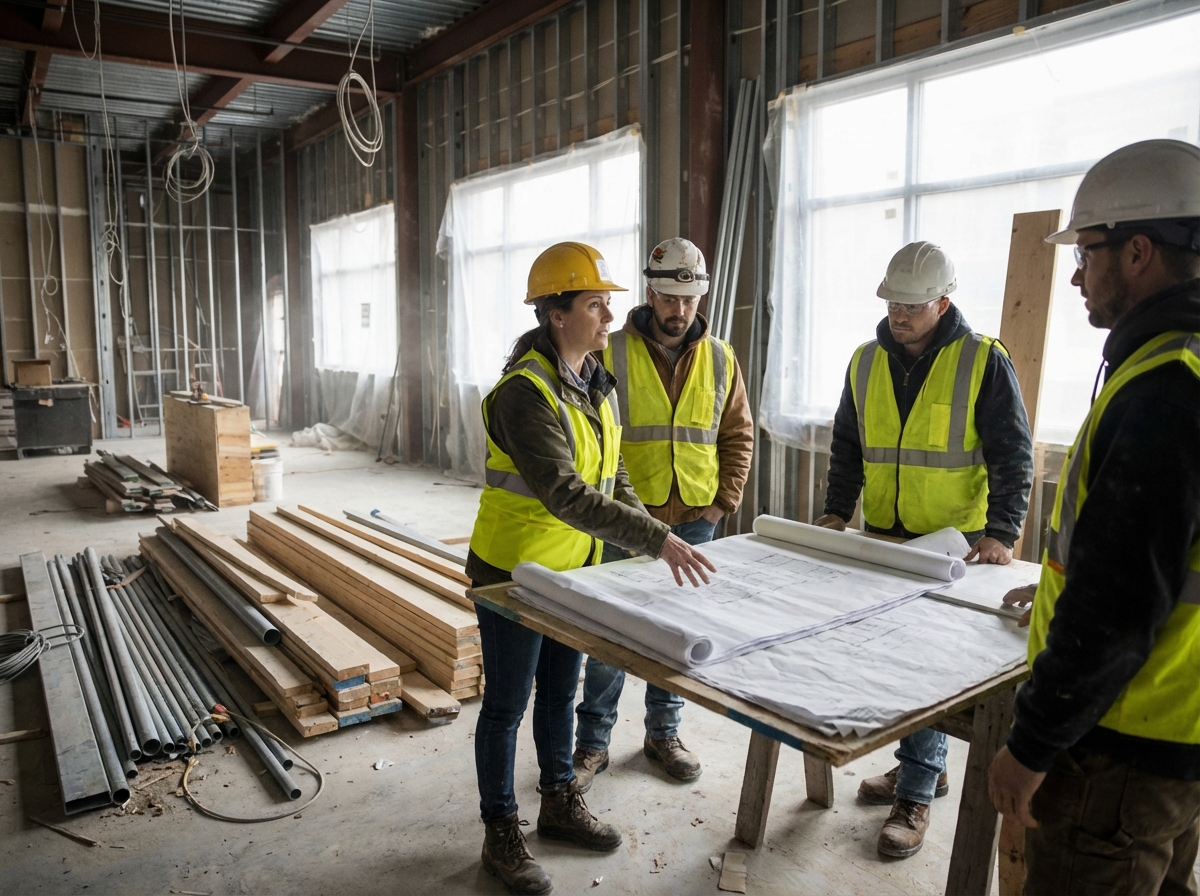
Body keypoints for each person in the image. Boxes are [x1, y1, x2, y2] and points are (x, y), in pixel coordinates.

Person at [467, 241, 717, 896]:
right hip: (512, 574)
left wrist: (650, 539)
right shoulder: (525, 393)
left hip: (569, 575)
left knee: (558, 694)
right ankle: (501, 831)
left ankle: (557, 802)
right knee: (506, 704)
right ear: (556, 314)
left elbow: (615, 479)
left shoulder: (592, 382)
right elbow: (567, 494)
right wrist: (659, 540)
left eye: (607, 307)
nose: (611, 318)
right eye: (596, 306)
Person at [988, 139, 1200, 895]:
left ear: (1139, 250)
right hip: (1177, 730)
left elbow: (1120, 604)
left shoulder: (1163, 389)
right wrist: (1051, 592)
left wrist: (1033, 744)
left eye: (1087, 250)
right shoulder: (1184, 363)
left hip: (1120, 744)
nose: (1076, 274)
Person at [815, 240, 1034, 858]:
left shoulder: (981, 360)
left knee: (930, 671)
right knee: (890, 665)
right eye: (893, 303)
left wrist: (1002, 531)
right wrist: (837, 510)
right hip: (885, 536)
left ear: (944, 301)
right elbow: (848, 445)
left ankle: (914, 793)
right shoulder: (864, 361)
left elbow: (1013, 452)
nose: (900, 315)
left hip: (953, 547)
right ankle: (924, 766)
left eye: (914, 305)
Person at [571, 238, 754, 792]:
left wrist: (724, 503)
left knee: (679, 633)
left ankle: (663, 735)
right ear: (651, 292)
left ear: (700, 297)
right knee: (610, 635)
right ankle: (593, 742)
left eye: (689, 300)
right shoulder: (610, 350)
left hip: (697, 517)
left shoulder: (721, 357)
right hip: (625, 517)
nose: (679, 311)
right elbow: (588, 433)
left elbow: (737, 433)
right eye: (669, 298)